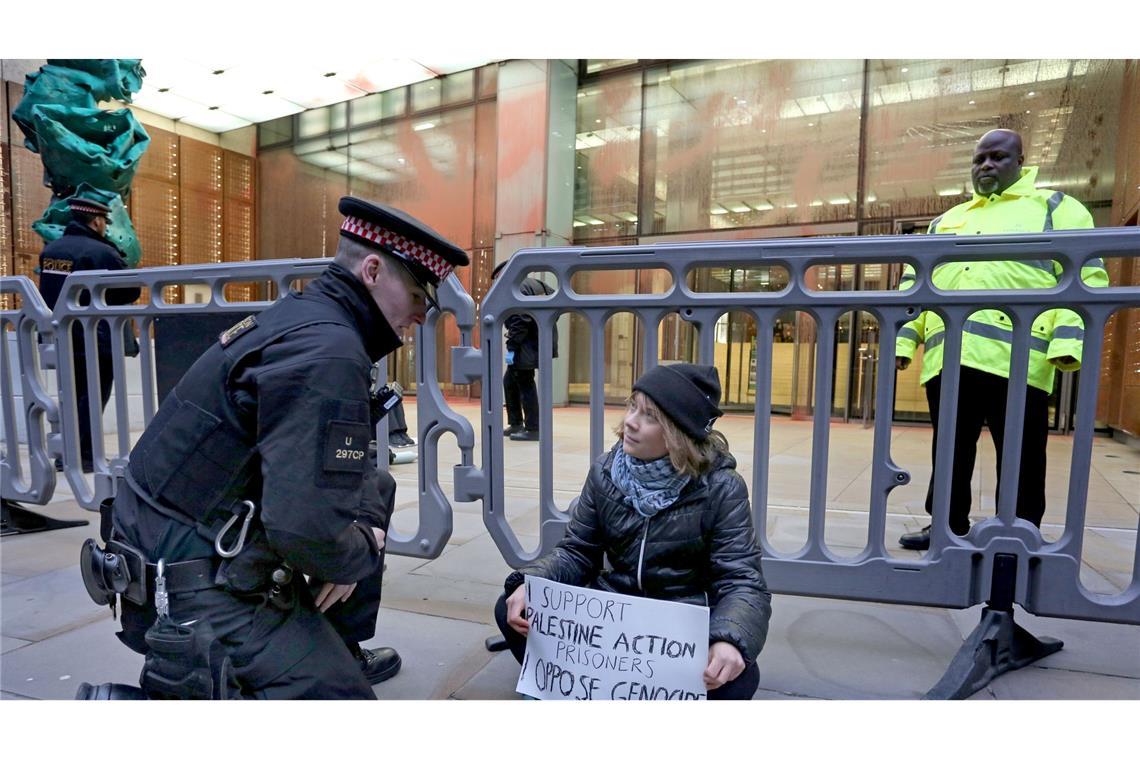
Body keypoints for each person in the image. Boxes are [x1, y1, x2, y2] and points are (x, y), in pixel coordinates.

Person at [96, 197, 468, 698]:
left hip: (171, 541)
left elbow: (333, 472)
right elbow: (303, 530)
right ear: (373, 271)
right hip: (189, 583)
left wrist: (350, 543)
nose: (422, 315)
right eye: (419, 295)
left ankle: (330, 646)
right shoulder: (328, 351)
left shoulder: (308, 319)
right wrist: (358, 550)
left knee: (373, 489)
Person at [493, 363, 772, 699]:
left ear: (678, 432)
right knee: (512, 606)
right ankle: (586, 684)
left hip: (678, 631)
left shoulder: (722, 488)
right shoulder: (606, 471)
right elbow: (577, 551)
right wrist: (533, 582)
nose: (630, 421)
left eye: (650, 416)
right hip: (612, 624)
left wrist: (728, 639)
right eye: (632, 406)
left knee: (739, 676)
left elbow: (742, 581)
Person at [895, 129, 1110, 550]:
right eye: (979, 159)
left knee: (1022, 454)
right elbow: (915, 285)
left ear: (1021, 161)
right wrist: (905, 341)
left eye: (997, 157)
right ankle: (945, 528)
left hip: (1019, 359)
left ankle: (1018, 532)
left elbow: (1085, 276)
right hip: (949, 356)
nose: (986, 165)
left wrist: (1067, 343)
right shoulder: (946, 220)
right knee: (950, 451)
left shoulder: (1055, 207)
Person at [37, 196, 140, 472]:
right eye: (104, 221)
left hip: (61, 336)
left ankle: (66, 454)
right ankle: (84, 456)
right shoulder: (101, 252)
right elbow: (130, 290)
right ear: (96, 221)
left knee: (70, 396)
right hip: (95, 338)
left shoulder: (52, 251)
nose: (105, 226)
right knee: (92, 397)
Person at [491, 259, 557, 441]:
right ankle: (516, 423)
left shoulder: (517, 286)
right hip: (539, 341)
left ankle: (533, 428)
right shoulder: (536, 284)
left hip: (525, 345)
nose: (497, 283)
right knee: (510, 381)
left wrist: (512, 346)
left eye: (497, 278)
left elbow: (521, 320)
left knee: (525, 382)